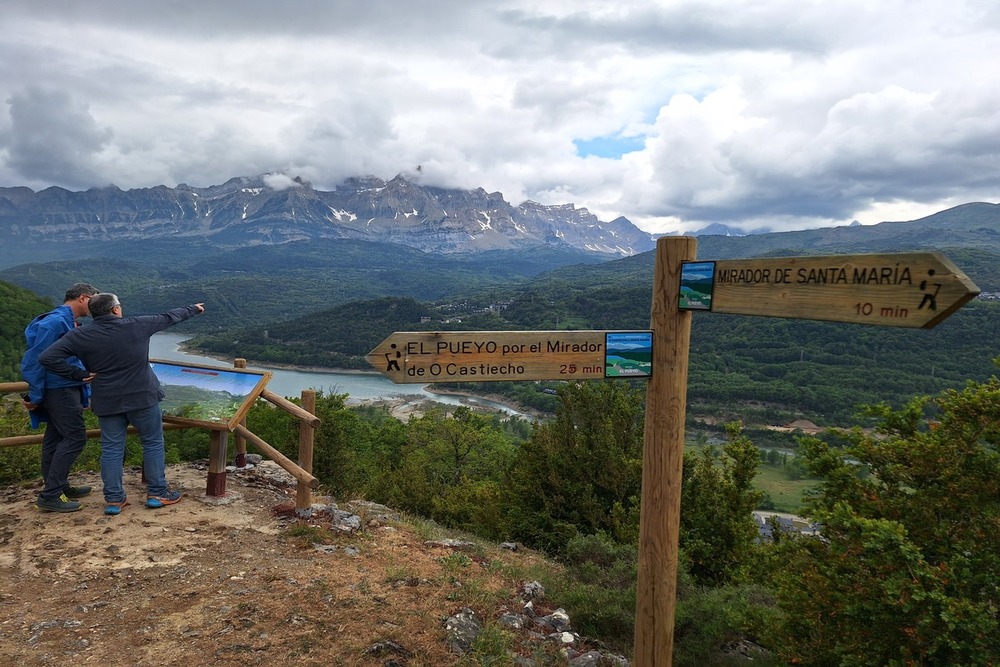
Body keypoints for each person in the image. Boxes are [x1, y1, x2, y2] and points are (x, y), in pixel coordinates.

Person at [39, 294, 206, 516]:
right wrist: (193, 308)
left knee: (111, 448)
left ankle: (114, 500)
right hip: (143, 398)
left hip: (107, 400)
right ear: (115, 310)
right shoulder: (137, 325)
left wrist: (78, 374)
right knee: (153, 442)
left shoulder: (79, 335)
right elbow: (170, 317)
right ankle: (157, 493)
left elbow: (47, 357)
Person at [21, 282, 101, 513]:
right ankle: (51, 494)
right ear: (83, 298)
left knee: (55, 439)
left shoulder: (65, 321)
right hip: (60, 390)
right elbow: (36, 359)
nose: (94, 306)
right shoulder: (55, 322)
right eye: (94, 300)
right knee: (76, 438)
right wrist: (35, 395)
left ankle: (59, 486)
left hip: (64, 388)